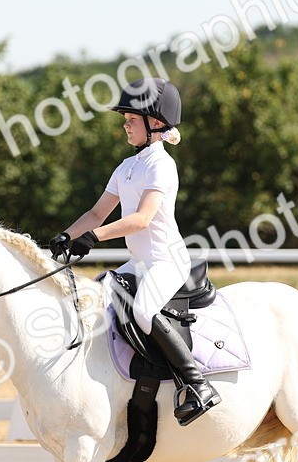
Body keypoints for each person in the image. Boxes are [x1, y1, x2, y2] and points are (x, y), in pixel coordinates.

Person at [49, 78, 220, 426]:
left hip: (167, 260)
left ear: (155, 123)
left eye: (131, 119)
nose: (125, 125)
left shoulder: (161, 165)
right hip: (140, 261)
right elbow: (97, 213)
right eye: (125, 120)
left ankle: (197, 385)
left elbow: (141, 219)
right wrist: (66, 236)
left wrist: (94, 238)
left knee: (143, 312)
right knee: (97, 293)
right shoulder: (126, 168)